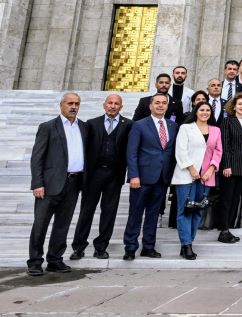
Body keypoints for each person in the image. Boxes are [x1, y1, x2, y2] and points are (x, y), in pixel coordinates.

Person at [27, 93, 87, 276]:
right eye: (70, 103)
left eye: (76, 103)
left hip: (73, 183)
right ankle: (35, 261)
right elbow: (37, 157)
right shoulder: (48, 127)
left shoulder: (84, 127)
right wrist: (37, 183)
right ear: (61, 105)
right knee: (41, 224)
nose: (73, 106)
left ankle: (55, 259)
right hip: (50, 185)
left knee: (63, 224)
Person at [70, 94, 132, 261]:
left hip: (114, 175)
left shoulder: (128, 125)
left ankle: (101, 247)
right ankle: (78, 247)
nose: (113, 106)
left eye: (116, 104)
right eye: (110, 103)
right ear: (104, 105)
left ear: (121, 107)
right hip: (94, 175)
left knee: (109, 212)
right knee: (86, 211)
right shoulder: (92, 124)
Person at [123, 93, 178, 261]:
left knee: (153, 215)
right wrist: (133, 176)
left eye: (163, 103)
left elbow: (170, 152)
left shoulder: (172, 126)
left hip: (161, 179)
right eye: (157, 103)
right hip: (142, 178)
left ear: (167, 106)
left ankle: (148, 246)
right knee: (135, 214)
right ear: (150, 106)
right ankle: (130, 247)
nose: (160, 106)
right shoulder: (139, 125)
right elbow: (131, 152)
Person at [172, 101, 222, 260]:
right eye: (202, 110)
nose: (205, 112)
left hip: (207, 176)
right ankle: (186, 244)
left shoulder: (216, 130)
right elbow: (181, 150)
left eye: (208, 110)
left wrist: (211, 169)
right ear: (196, 111)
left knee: (198, 210)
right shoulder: (186, 128)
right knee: (185, 209)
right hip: (187, 175)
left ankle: (189, 241)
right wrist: (192, 169)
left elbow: (218, 152)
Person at [216, 93, 242, 244]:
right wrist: (226, 165)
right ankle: (223, 230)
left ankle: (228, 229)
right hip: (230, 167)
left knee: (234, 199)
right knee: (226, 199)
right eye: (240, 104)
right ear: (233, 106)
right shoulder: (227, 121)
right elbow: (224, 144)